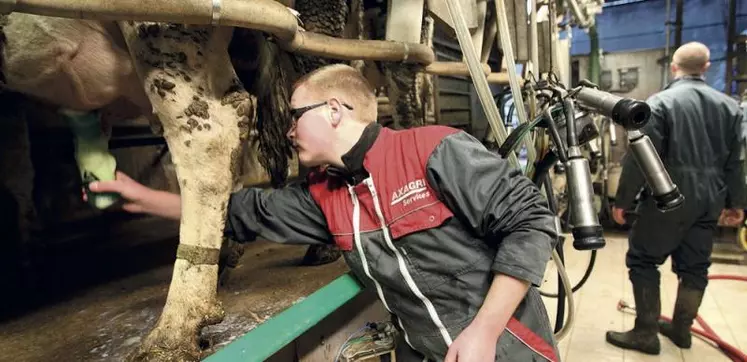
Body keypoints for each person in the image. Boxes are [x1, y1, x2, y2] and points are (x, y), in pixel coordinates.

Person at [88, 64, 560, 361]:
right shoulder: (326, 196)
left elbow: (532, 223)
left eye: (295, 116)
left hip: (507, 346)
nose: (288, 130)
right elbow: (241, 212)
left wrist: (484, 331)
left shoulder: (433, 150)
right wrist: (147, 198)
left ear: (334, 110)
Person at [607, 42, 746, 354]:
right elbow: (737, 161)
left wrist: (622, 202)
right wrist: (737, 203)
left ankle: (645, 333)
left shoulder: (660, 104)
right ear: (706, 68)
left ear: (673, 67)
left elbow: (642, 157)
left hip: (668, 195)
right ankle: (681, 330)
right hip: (711, 198)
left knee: (643, 259)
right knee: (695, 267)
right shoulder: (730, 107)